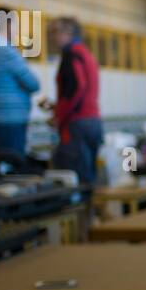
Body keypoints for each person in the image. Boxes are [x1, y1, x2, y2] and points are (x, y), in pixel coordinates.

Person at [42, 17, 104, 185]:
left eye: (55, 32)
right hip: (91, 121)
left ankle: (82, 210)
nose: (51, 37)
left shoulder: (72, 55)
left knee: (73, 179)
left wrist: (59, 116)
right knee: (87, 176)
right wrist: (57, 108)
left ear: (68, 33)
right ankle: (89, 210)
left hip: (78, 124)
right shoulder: (85, 53)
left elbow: (76, 88)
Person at [0, 6, 39, 155]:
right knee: (12, 167)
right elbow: (33, 83)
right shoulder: (5, 49)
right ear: (9, 24)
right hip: (9, 120)